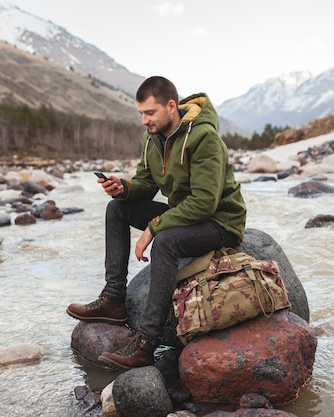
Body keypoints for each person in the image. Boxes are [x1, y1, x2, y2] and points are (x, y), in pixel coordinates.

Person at [66, 76, 247, 370]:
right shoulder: (153, 137)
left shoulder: (204, 139)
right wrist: (124, 188)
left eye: (149, 113)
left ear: (171, 106)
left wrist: (154, 227)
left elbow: (204, 202)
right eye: (140, 114)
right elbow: (147, 182)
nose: (143, 120)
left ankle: (146, 342)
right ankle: (114, 299)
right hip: (186, 214)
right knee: (117, 209)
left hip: (220, 221)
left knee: (165, 241)